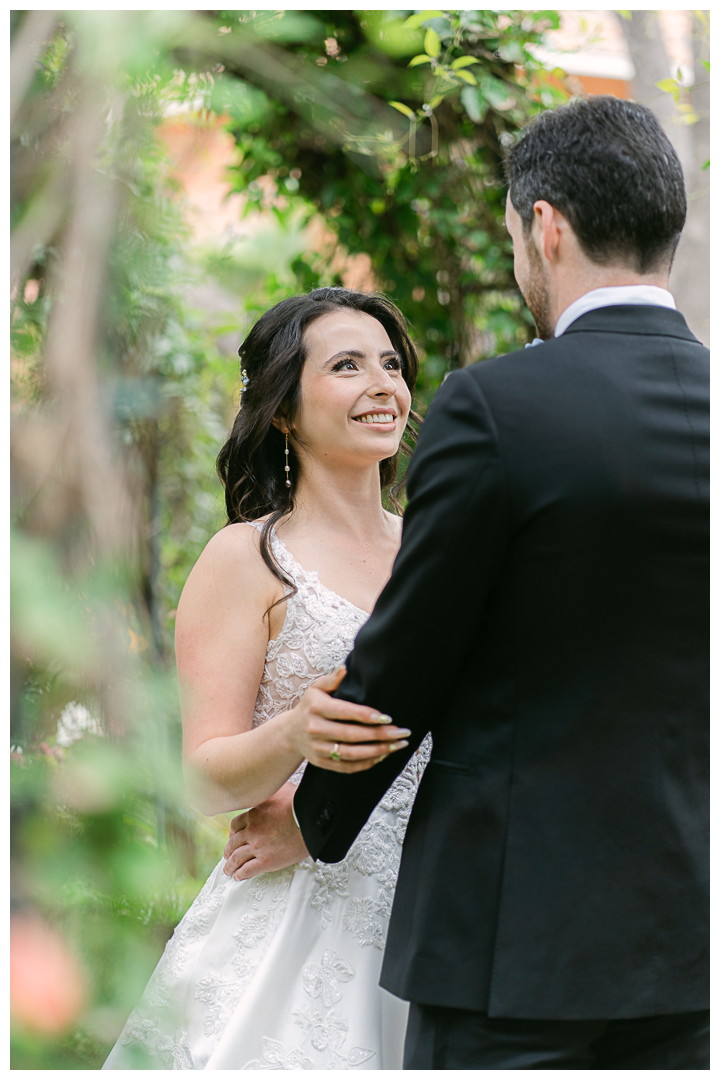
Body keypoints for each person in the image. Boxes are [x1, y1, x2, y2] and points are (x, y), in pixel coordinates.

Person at [293, 96, 710, 1069]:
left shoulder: (499, 407)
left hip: (513, 942)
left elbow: (409, 658)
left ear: (546, 225)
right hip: (692, 938)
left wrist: (317, 821)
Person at [103, 288, 431, 1070]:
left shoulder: (436, 547)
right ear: (284, 411)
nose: (381, 385)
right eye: (347, 366)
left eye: (390, 364)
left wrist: (319, 814)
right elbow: (202, 780)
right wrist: (294, 734)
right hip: (296, 931)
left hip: (433, 911)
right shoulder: (247, 559)